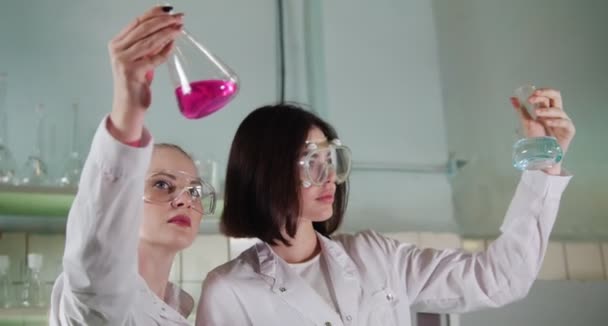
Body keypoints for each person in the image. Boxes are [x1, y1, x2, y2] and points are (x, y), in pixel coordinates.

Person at [195, 91, 575, 325]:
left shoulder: (375, 256)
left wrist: (543, 164)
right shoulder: (229, 291)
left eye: (331, 159)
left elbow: (501, 279)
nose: (329, 175)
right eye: (312, 160)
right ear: (267, 171)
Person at [50, 5, 216, 325]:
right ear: (124, 196)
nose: (185, 200)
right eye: (163, 184)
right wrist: (128, 110)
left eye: (194, 190)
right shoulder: (97, 294)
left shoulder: (183, 314)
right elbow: (96, 264)